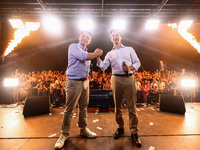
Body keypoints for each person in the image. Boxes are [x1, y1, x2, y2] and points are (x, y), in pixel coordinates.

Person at [54, 31, 103, 149]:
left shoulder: (87, 52)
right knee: (69, 109)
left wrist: (90, 73)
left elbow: (87, 62)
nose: (85, 38)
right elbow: (83, 57)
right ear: (79, 37)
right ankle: (64, 134)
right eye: (83, 36)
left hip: (85, 82)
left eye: (87, 37)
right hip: (73, 82)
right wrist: (97, 53)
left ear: (89, 41)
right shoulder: (73, 47)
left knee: (83, 107)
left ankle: (83, 129)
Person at [96, 29, 142, 147]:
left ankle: (134, 132)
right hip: (115, 78)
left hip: (129, 78)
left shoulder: (129, 49)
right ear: (111, 39)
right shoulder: (109, 54)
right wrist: (97, 56)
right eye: (113, 36)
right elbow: (103, 67)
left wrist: (130, 67)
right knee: (118, 106)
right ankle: (120, 128)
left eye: (117, 35)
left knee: (132, 106)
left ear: (121, 37)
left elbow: (137, 62)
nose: (115, 37)